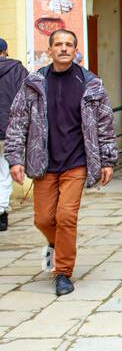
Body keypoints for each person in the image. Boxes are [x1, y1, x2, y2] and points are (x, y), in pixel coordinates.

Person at [4, 30, 115, 295]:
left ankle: (63, 272)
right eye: (58, 44)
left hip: (76, 162)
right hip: (43, 163)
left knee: (65, 217)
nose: (64, 48)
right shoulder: (34, 83)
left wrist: (108, 159)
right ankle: (58, 246)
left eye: (68, 44)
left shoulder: (90, 83)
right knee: (43, 219)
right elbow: (17, 123)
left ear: (76, 50)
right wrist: (15, 159)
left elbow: (105, 124)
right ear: (50, 49)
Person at [0, 38, 28, 232]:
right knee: (4, 171)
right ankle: (1, 214)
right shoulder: (17, 70)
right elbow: (28, 99)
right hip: (9, 130)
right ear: (5, 52)